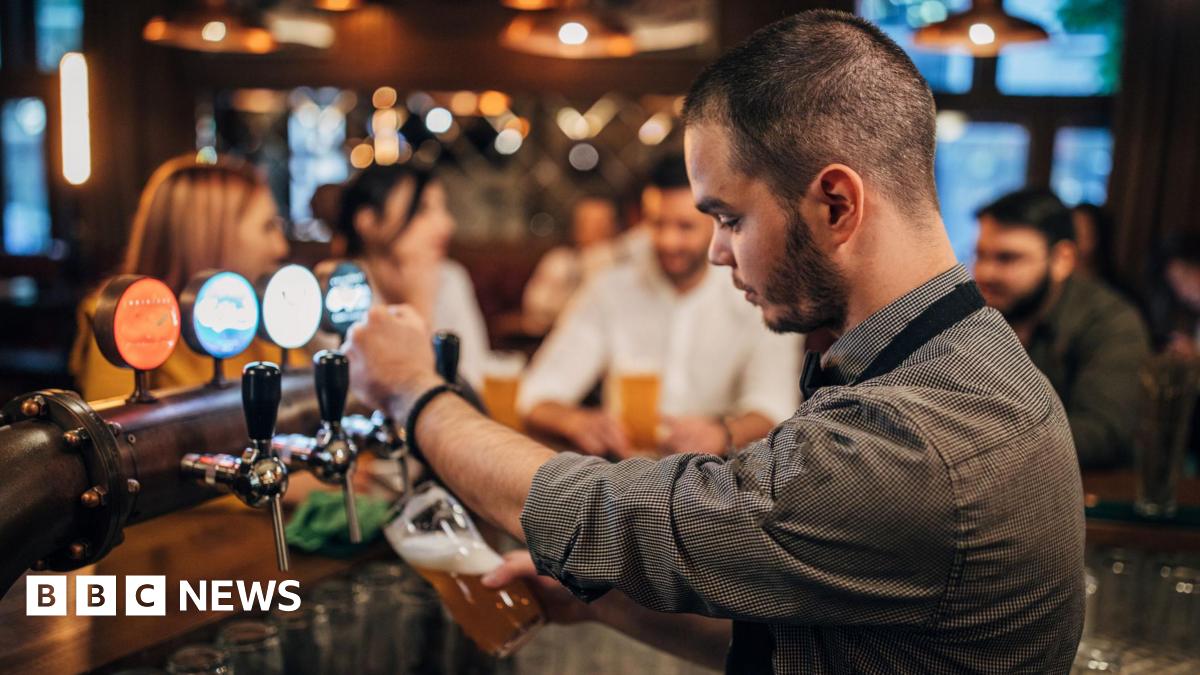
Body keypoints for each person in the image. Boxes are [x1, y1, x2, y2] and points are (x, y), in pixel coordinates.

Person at [344, 10, 1084, 673]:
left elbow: (615, 513)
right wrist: (604, 600)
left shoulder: (920, 437)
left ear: (835, 204)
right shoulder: (952, 357)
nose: (715, 252)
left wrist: (418, 392)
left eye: (728, 217)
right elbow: (793, 646)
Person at [518, 154, 801, 457]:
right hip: (624, 471)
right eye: (657, 224)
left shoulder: (756, 293)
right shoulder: (610, 287)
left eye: (685, 227)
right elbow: (536, 395)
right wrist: (579, 423)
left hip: (721, 475)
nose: (668, 241)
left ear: (717, 224)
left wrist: (721, 434)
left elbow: (774, 408)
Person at [69, 155, 295, 401]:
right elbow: (113, 432)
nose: (280, 247)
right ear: (207, 236)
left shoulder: (258, 315)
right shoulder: (123, 319)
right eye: (267, 227)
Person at [974, 188, 1151, 469]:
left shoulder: (1111, 320)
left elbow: (1102, 435)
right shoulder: (978, 317)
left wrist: (975, 445)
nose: (984, 273)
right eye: (980, 255)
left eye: (1007, 258)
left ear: (1062, 259)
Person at [334, 164, 489, 387]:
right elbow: (359, 391)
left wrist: (421, 303)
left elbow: (470, 386)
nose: (446, 225)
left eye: (443, 209)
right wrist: (419, 307)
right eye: (422, 210)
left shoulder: (450, 278)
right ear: (368, 222)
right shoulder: (342, 290)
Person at [521, 195, 621, 335]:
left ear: (614, 228)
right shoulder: (558, 261)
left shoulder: (625, 265)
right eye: (590, 224)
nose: (598, 230)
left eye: (603, 224)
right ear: (577, 229)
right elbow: (536, 303)